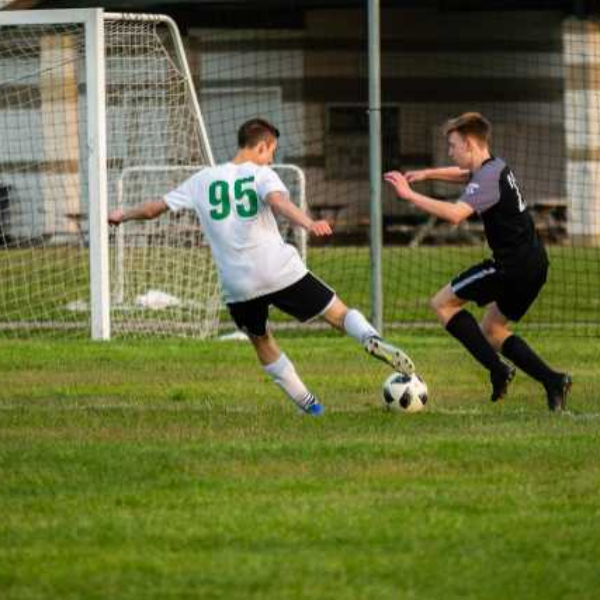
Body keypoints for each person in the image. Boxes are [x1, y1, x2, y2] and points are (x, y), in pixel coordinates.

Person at [109, 118, 414, 416]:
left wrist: (122, 215)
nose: (271, 160)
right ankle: (370, 339)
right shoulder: (260, 174)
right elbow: (278, 202)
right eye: (271, 152)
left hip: (238, 283)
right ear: (262, 146)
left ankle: (309, 404)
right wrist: (308, 222)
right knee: (338, 314)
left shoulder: (202, 179)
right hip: (278, 270)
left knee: (261, 339)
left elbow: (153, 209)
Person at [384, 112, 571, 411]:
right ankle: (553, 381)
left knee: (442, 304)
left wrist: (409, 195)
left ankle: (498, 370)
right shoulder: (495, 166)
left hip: (510, 266)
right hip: (535, 263)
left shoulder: (486, 177)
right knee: (493, 329)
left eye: (453, 145)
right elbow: (463, 174)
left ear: (469, 143)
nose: (450, 152)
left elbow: (455, 215)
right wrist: (427, 174)